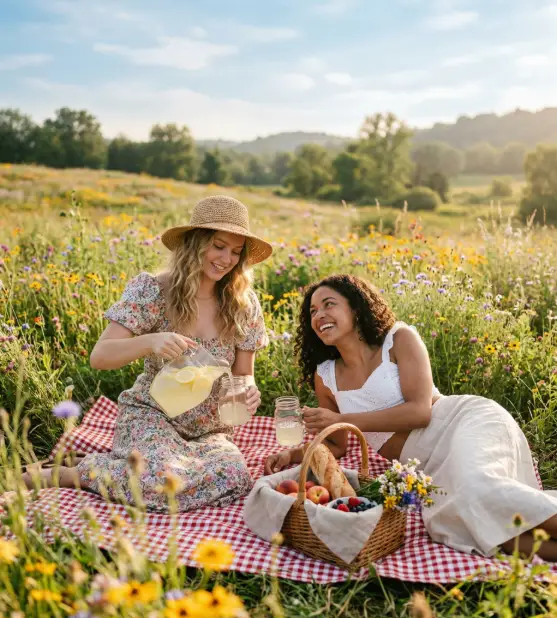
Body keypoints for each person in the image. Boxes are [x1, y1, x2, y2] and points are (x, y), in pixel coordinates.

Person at [265, 274, 557, 561]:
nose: (319, 315)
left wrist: (346, 419)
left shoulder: (399, 339)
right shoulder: (326, 375)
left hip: (464, 423)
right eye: (313, 311)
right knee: (459, 522)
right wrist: (294, 453)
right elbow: (339, 445)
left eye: (329, 304)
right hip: (429, 467)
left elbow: (420, 412)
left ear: (355, 308)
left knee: (479, 491)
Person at [26, 195, 272, 512]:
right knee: (161, 479)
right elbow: (100, 357)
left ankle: (112, 466)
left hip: (211, 429)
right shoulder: (153, 289)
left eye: (236, 252)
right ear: (195, 243)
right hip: (152, 415)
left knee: (235, 477)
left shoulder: (243, 302)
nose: (226, 259)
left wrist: (248, 390)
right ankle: (72, 474)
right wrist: (151, 341)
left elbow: (243, 374)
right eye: (218, 245)